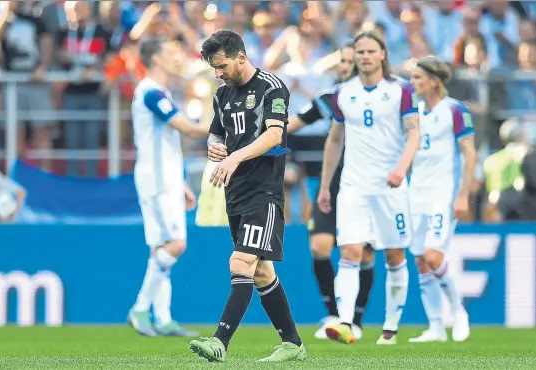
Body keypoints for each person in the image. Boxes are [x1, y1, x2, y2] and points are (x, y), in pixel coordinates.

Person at [189, 30, 306, 363]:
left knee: (240, 262)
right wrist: (215, 145)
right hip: (235, 191)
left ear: (240, 55)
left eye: (222, 65)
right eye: (214, 68)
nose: (219, 73)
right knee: (261, 272)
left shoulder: (271, 86)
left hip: (264, 191)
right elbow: (217, 130)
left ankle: (219, 341)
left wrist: (234, 157)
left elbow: (274, 135)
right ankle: (293, 343)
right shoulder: (222, 94)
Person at [318, 30, 420, 345]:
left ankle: (390, 327)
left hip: (390, 185)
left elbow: (413, 133)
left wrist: (401, 168)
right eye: (359, 51)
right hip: (353, 185)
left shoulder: (400, 90)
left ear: (382, 55)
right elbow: (335, 139)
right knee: (349, 250)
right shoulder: (342, 93)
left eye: (370, 51)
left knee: (393, 255)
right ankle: (345, 322)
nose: (364, 56)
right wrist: (325, 185)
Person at [287, 43, 375, 340]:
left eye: (352, 61)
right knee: (319, 246)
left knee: (363, 255)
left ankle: (357, 321)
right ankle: (334, 314)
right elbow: (290, 125)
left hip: (367, 183)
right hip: (333, 182)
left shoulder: (380, 98)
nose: (346, 66)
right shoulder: (330, 99)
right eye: (344, 61)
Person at [128, 37, 210, 337]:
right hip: (157, 181)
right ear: (157, 58)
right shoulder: (150, 92)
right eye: (172, 52)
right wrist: (223, 128)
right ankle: (140, 309)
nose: (178, 57)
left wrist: (183, 182)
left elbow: (169, 143)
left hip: (167, 179)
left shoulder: (159, 91)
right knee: (176, 244)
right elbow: (185, 128)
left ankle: (162, 318)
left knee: (160, 249)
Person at [407, 56, 475, 343]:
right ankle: (435, 326)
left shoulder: (455, 110)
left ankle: (458, 312)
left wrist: (463, 194)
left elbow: (469, 153)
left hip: (442, 193)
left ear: (434, 81)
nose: (413, 83)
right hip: (415, 193)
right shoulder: (414, 113)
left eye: (418, 78)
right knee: (421, 260)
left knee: (435, 257)